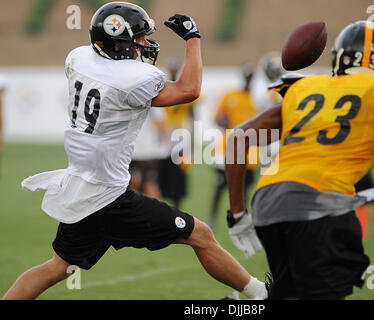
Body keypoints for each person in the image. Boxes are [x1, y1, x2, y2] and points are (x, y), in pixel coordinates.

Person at [2, 2, 267, 300]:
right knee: (200, 234)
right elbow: (189, 89)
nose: (145, 43)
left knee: (58, 267)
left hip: (79, 190)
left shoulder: (78, 58)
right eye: (139, 38)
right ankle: (261, 294)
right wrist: (193, 38)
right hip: (109, 197)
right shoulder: (132, 79)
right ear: (120, 43)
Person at [224, 21, 374, 300]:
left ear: (338, 56)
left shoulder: (306, 86)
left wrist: (237, 212)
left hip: (268, 203)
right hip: (321, 206)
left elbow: (239, 138)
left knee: (290, 294)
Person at [208, 63, 259, 230]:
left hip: (250, 151)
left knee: (245, 188)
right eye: (246, 76)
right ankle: (212, 219)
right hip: (227, 148)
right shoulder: (230, 95)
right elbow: (216, 117)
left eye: (251, 76)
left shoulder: (256, 99)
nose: (248, 79)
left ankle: (242, 220)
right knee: (220, 186)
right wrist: (225, 122)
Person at [156, 58, 199, 209]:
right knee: (161, 177)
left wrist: (192, 142)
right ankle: (162, 211)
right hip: (165, 137)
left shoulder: (185, 90)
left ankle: (177, 212)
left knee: (178, 180)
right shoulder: (162, 89)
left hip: (180, 136)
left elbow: (193, 117)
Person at [129, 107, 165, 199]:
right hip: (141, 150)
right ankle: (153, 212)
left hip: (137, 149)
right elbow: (160, 119)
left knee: (146, 183)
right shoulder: (152, 93)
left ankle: (155, 212)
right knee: (144, 183)